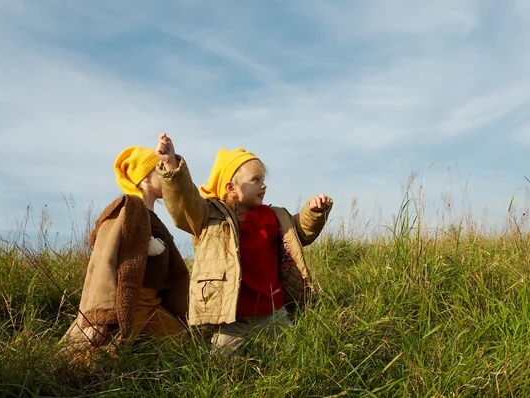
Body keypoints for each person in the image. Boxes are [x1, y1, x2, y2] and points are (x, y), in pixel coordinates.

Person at [155, 133, 332, 355]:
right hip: (232, 320)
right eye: (255, 180)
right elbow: (185, 203)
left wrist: (314, 213)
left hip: (274, 314)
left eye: (263, 180)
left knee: (292, 359)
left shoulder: (273, 216)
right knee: (222, 366)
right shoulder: (210, 217)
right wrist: (171, 165)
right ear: (231, 188)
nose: (263, 185)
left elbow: (298, 233)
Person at [60, 146, 190, 360]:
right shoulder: (127, 208)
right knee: (97, 356)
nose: (165, 173)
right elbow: (104, 260)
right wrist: (100, 316)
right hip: (129, 303)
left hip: (153, 304)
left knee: (186, 348)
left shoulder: (155, 220)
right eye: (159, 169)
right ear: (145, 178)